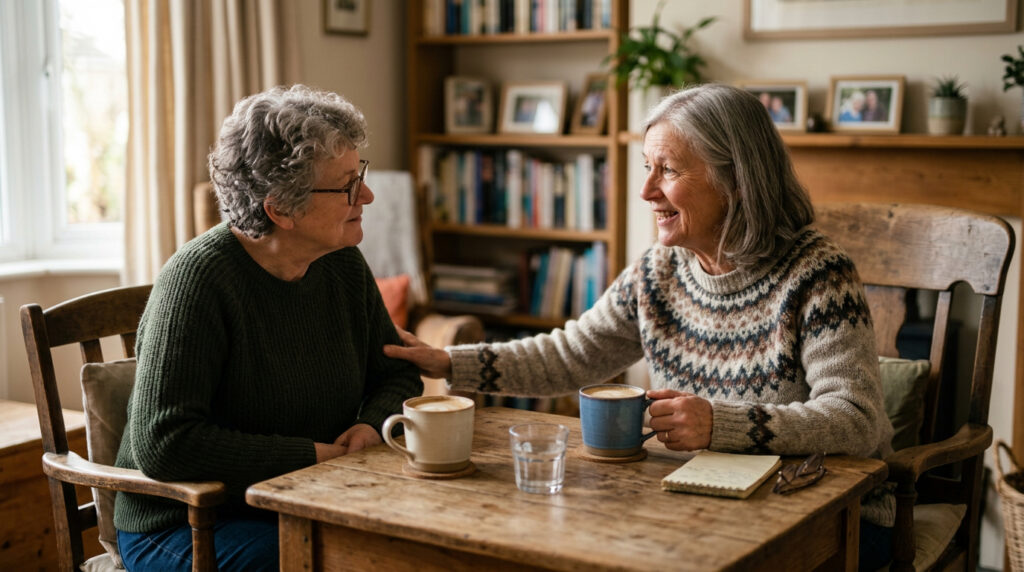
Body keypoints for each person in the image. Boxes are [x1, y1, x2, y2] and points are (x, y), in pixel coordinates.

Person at [385, 83, 895, 571]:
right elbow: (574, 353)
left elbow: (856, 418)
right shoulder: (659, 271)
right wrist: (450, 362)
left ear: (735, 180)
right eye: (647, 167)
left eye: (667, 170)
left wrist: (723, 424)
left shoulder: (818, 273)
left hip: (827, 512)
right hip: (701, 506)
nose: (646, 190)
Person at [113, 85, 423, 572]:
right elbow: (165, 443)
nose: (366, 194)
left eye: (358, 174)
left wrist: (369, 426)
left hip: (306, 498)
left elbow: (397, 372)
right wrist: (314, 455)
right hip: (188, 521)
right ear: (281, 208)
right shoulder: (197, 281)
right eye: (346, 185)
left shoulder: (342, 262)